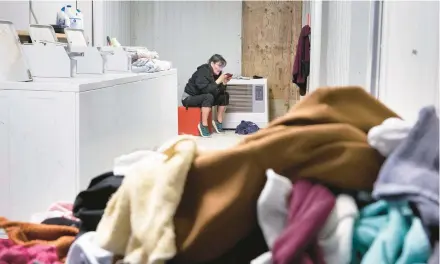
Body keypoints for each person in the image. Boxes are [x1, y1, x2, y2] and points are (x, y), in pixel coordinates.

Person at [181, 54, 231, 137]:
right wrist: (218, 81)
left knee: (224, 95)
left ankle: (218, 122)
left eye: (222, 66)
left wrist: (224, 83)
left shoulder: (217, 73)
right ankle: (203, 125)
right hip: (189, 98)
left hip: (203, 97)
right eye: (219, 65)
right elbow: (205, 90)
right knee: (208, 96)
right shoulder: (202, 71)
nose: (220, 68)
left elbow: (218, 91)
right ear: (212, 63)